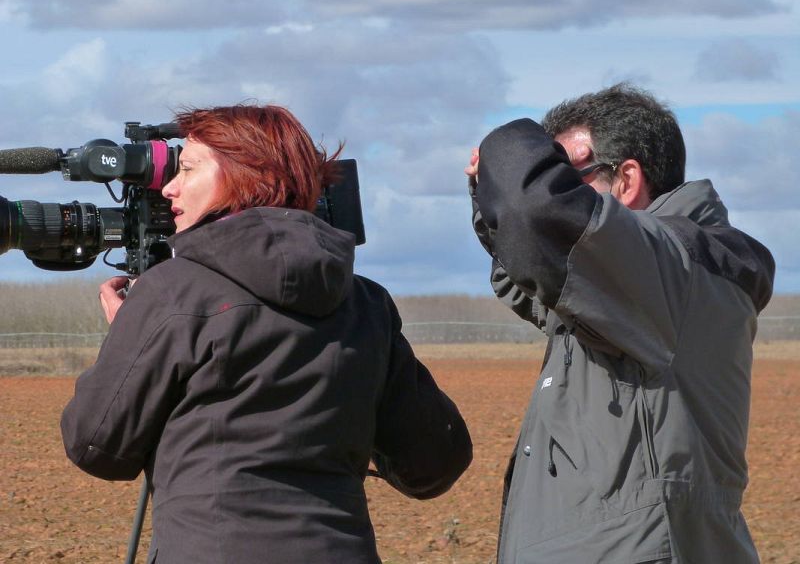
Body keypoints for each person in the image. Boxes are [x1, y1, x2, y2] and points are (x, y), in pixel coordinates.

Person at [61, 104, 472, 563]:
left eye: (188, 169)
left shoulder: (172, 292)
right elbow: (434, 463)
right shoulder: (368, 303)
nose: (170, 188)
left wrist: (131, 333)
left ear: (244, 177)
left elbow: (96, 446)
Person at [466, 84, 774, 563]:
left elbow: (538, 215)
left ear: (627, 180)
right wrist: (491, 197)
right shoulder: (634, 290)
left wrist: (508, 155)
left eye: (568, 177)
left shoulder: (670, 269)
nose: (558, 191)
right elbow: (529, 275)